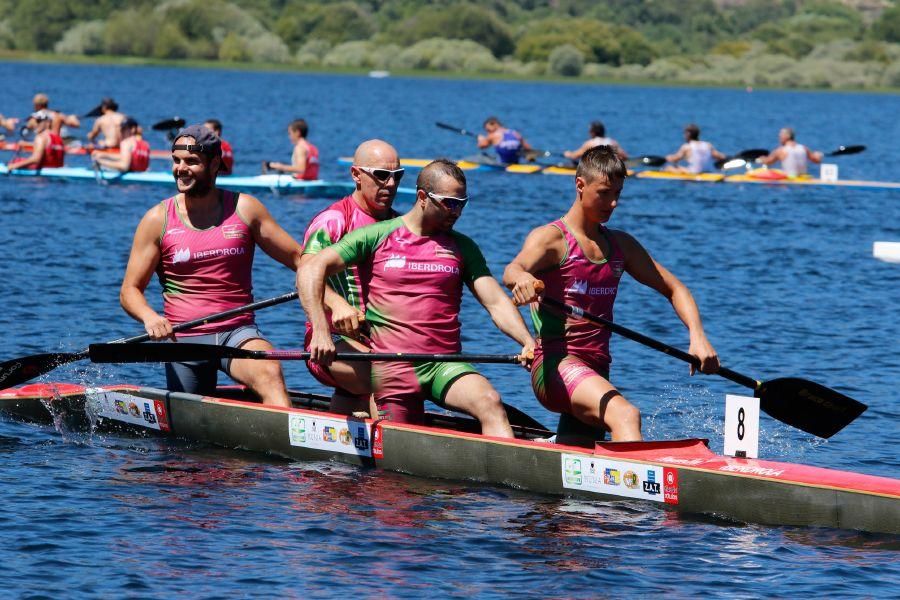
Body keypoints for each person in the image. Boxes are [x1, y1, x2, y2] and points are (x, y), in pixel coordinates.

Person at [300, 159, 535, 438]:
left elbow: (495, 301)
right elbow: (312, 268)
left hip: (443, 364)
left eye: (462, 203)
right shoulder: (377, 235)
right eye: (449, 203)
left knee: (490, 402)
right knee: (401, 450)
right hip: (393, 367)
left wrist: (527, 341)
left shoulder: (463, 247)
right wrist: (321, 331)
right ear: (422, 197)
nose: (457, 211)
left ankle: (505, 477)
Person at [503, 146, 719, 445]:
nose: (613, 203)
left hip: (597, 369)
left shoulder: (621, 245)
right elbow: (513, 269)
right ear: (580, 185)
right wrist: (524, 280)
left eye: (618, 193)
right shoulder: (552, 238)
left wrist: (697, 335)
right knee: (626, 415)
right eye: (604, 192)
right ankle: (634, 493)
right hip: (555, 365)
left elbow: (675, 289)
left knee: (581, 454)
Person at [119, 124, 303, 408]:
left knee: (270, 372)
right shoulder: (157, 219)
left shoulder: (245, 209)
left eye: (191, 162)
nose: (181, 169)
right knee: (187, 440)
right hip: (185, 341)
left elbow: (299, 259)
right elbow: (129, 290)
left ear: (215, 164)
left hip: (237, 332)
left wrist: (334, 303)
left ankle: (291, 442)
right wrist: (150, 317)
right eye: (177, 161)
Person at [297, 139, 403, 417]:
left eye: (397, 176)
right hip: (329, 343)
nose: (391, 184)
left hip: (382, 342)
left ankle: (348, 430)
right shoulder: (333, 221)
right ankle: (391, 432)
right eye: (381, 175)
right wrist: (336, 308)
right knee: (389, 378)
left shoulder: (401, 225)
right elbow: (305, 274)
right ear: (356, 174)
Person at [758, 127, 823, 177]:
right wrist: (818, 155)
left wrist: (761, 159)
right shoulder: (804, 148)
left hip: (789, 180)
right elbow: (817, 160)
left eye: (780, 136)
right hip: (804, 178)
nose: (779, 138)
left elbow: (768, 162)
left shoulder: (780, 151)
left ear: (787, 136)